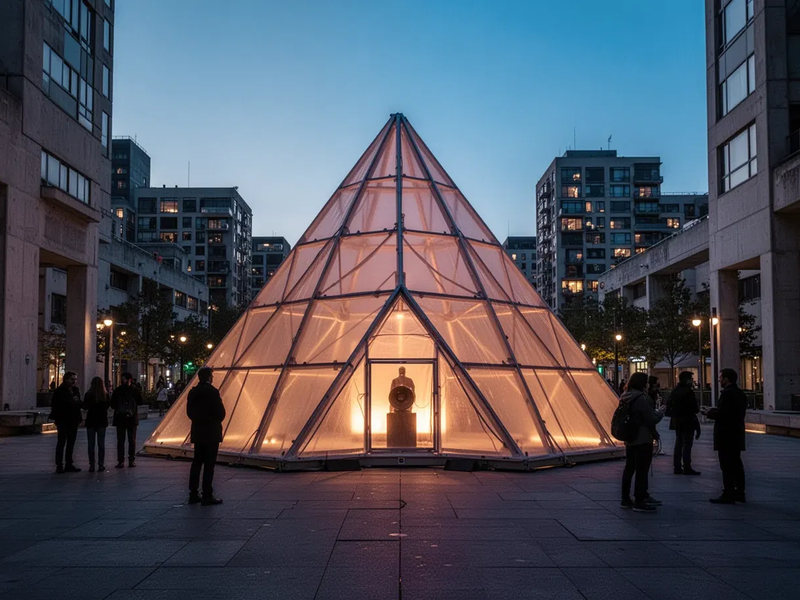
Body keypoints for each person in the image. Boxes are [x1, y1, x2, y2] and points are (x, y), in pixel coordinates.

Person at [620, 372, 664, 512]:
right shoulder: (641, 398)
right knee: (642, 469)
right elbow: (651, 418)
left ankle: (625, 498)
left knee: (629, 468)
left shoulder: (625, 396)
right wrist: (660, 412)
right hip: (642, 437)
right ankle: (640, 499)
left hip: (630, 437)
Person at [706, 368, 747, 504]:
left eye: (720, 377)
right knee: (736, 464)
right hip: (736, 433)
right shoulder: (739, 393)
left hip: (726, 435)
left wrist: (710, 413)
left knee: (727, 465)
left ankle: (728, 492)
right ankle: (739, 492)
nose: (719, 380)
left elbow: (725, 414)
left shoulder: (728, 394)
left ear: (726, 379)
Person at [187, 367, 226, 505]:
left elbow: (189, 413)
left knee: (197, 462)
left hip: (198, 432)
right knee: (209, 465)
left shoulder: (193, 392)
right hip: (211, 433)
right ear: (209, 377)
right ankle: (207, 495)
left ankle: (193, 493)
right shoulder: (213, 392)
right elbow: (221, 413)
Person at [667, 371, 701, 475]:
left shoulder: (675, 391)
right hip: (687, 420)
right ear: (687, 380)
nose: (692, 381)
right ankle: (687, 466)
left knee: (678, 443)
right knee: (687, 444)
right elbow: (695, 409)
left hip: (677, 421)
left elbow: (668, 406)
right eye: (691, 379)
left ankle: (677, 466)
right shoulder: (688, 392)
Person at [50, 371, 83, 473]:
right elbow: (55, 404)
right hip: (63, 420)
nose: (74, 382)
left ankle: (69, 464)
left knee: (71, 443)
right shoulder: (59, 391)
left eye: (75, 380)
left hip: (74, 420)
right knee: (61, 442)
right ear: (66, 379)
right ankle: (59, 465)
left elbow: (78, 403)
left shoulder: (75, 390)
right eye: (72, 379)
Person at [110, 372, 143, 468]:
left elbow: (112, 404)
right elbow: (140, 402)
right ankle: (131, 460)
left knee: (121, 440)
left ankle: (121, 461)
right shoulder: (135, 390)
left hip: (120, 418)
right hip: (131, 419)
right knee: (131, 440)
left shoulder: (117, 390)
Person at [82, 376, 110, 472]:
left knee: (91, 444)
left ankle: (92, 464)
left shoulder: (88, 395)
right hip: (101, 421)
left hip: (91, 421)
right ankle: (101, 464)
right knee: (101, 444)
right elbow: (107, 407)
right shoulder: (105, 395)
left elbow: (85, 407)